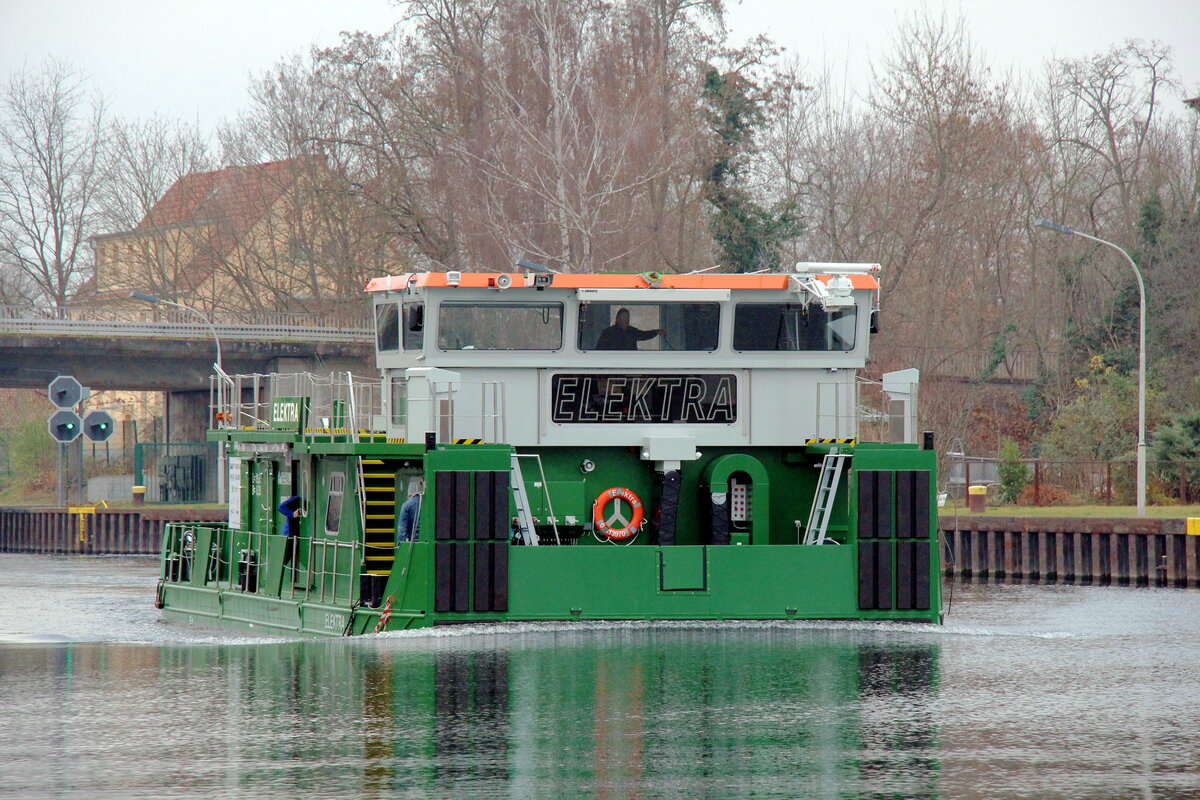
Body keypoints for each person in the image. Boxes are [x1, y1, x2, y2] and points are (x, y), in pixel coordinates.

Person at [595, 308, 665, 350]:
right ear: (618, 319)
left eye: (627, 318)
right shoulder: (608, 332)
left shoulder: (632, 331)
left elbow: (643, 335)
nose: (626, 320)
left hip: (631, 362)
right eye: (624, 317)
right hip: (613, 364)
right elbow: (599, 349)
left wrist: (656, 332)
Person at [277, 494, 304, 573]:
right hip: (289, 534)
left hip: (299, 535)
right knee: (284, 559)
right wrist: (292, 514)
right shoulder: (297, 498)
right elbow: (281, 507)